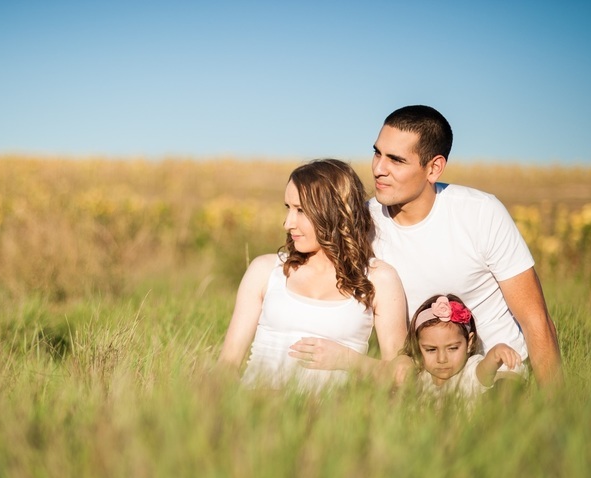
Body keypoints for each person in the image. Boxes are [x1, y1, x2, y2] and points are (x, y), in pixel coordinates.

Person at [302, 105, 562, 389]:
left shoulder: (481, 213)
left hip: (495, 375)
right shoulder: (364, 222)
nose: (378, 168)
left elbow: (535, 319)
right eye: (377, 153)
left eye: (396, 160)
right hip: (419, 379)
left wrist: (556, 411)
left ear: (433, 168)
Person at [218, 159, 407, 393]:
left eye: (301, 210)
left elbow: (403, 375)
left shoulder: (379, 278)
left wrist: (349, 360)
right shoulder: (266, 271)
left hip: (333, 422)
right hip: (257, 415)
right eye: (288, 208)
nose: (288, 223)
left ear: (334, 211)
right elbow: (227, 366)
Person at [402, 294, 523, 408]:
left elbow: (485, 370)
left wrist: (496, 353)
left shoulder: (469, 372)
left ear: (469, 343)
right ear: (417, 346)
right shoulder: (420, 376)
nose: (442, 359)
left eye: (453, 348)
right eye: (431, 350)